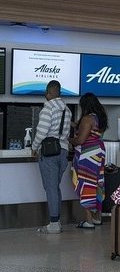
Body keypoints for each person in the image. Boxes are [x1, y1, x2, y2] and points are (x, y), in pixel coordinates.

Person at [32, 80, 72, 234]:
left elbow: (42, 132)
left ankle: (54, 224)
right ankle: (57, 221)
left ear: (48, 93)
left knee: (51, 188)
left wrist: (34, 147)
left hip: (49, 152)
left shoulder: (48, 108)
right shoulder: (67, 110)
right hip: (63, 152)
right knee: (55, 187)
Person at [70, 92, 108, 229]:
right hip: (99, 152)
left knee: (87, 183)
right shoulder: (100, 117)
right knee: (97, 183)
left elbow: (81, 140)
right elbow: (90, 131)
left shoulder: (87, 118)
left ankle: (89, 221)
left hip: (88, 153)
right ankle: (97, 217)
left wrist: (68, 140)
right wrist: (73, 124)